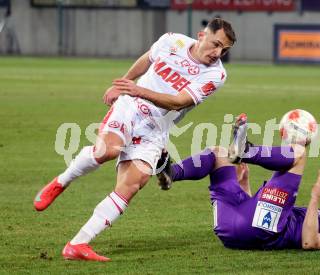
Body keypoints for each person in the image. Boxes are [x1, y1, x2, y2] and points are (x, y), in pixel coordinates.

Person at [33, 18, 236, 261]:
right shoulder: (173, 41)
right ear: (202, 35)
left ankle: (77, 244)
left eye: (224, 50)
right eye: (215, 44)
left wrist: (139, 89)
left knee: (133, 182)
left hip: (156, 128)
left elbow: (179, 102)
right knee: (107, 151)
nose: (218, 53)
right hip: (131, 107)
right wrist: (124, 83)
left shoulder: (216, 74)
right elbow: (148, 59)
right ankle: (61, 181)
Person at [158, 114, 320, 250]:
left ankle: (245, 151)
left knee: (300, 153)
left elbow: (309, 242)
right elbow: (259, 215)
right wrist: (244, 186)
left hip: (258, 231)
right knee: (218, 153)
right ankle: (170, 173)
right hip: (230, 229)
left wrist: (314, 198)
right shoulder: (303, 214)